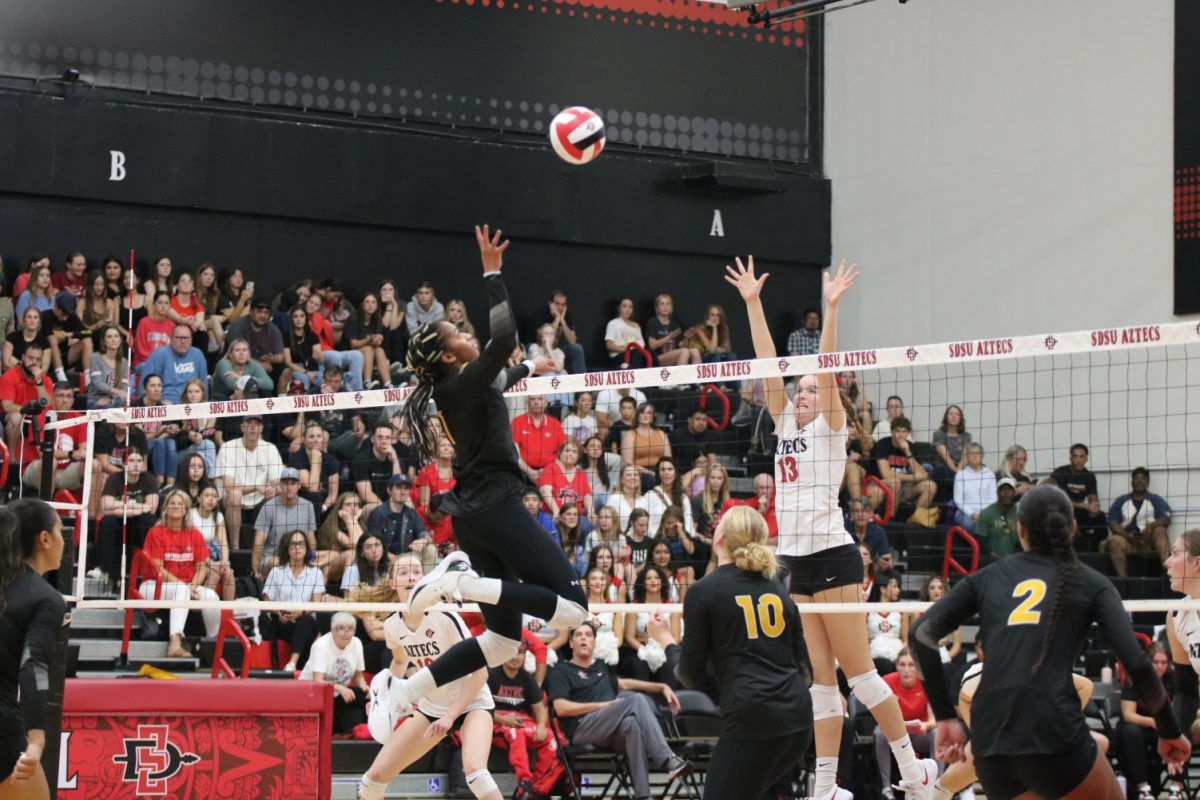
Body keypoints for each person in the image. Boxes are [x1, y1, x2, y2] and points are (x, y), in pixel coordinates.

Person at [725, 255, 936, 800]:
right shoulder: (782, 424)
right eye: (798, 390)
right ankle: (825, 787)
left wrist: (832, 307)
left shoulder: (830, 428)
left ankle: (914, 776)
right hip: (794, 560)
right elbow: (768, 362)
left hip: (835, 556)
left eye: (809, 390)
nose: (801, 393)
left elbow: (826, 364)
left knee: (861, 676)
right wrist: (752, 303)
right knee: (821, 684)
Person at [374, 226, 588, 722]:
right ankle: (460, 585)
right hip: (492, 505)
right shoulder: (459, 385)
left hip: (476, 512)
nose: (466, 335)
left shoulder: (460, 385)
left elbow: (498, 376)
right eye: (458, 336)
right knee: (574, 608)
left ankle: (403, 695)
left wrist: (529, 369)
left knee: (497, 643)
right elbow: (504, 340)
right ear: (450, 357)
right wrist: (492, 272)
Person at [910, 485, 1190, 800]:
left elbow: (921, 634)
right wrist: (1168, 730)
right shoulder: (1092, 582)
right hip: (1051, 731)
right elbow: (1137, 663)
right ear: (1072, 528)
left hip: (990, 741)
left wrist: (945, 716)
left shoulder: (988, 576)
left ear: (1019, 529)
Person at [358, 553, 499, 800]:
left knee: (476, 773)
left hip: (472, 703)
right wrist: (382, 699)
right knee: (372, 780)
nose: (411, 577)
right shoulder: (392, 625)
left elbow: (480, 672)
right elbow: (400, 661)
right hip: (431, 707)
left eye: (416, 572)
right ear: (393, 583)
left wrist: (451, 715)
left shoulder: (445, 616)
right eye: (403, 573)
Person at [546, 622, 690, 800]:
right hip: (582, 728)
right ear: (570, 643)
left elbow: (626, 683)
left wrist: (661, 686)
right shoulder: (562, 670)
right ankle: (667, 760)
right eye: (578, 635)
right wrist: (602, 706)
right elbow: (560, 708)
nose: (583, 638)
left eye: (588, 635)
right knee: (635, 699)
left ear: (594, 643)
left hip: (609, 730)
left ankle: (643, 796)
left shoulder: (600, 668)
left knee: (632, 725)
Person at [0, 500, 66, 799]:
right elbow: (33, 664)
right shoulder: (45, 598)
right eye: (60, 531)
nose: (64, 541)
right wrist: (37, 741)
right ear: (44, 539)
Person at [140, 490, 222, 658]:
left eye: (180, 504)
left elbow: (202, 568)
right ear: (165, 508)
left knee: (211, 596)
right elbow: (158, 568)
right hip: (152, 587)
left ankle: (212, 647)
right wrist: (184, 586)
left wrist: (192, 586)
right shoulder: (156, 532)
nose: (176, 506)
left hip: (184, 587)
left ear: (186, 509)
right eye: (172, 503)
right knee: (181, 590)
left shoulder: (194, 534)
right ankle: (175, 643)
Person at [487, 642, 564, 800]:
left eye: (520, 653)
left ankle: (537, 789)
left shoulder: (527, 678)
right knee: (516, 732)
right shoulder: (491, 674)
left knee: (551, 739)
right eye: (511, 652)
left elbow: (539, 708)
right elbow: (480, 709)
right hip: (495, 722)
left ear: (525, 657)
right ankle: (525, 782)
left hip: (520, 721)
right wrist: (504, 719)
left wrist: (542, 726)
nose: (515, 657)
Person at [92, 447, 160, 589]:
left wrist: (121, 507)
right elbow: (105, 506)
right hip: (118, 525)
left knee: (148, 520)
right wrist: (134, 507)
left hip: (138, 526)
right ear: (124, 464)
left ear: (143, 464)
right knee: (107, 521)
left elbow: (151, 508)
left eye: (139, 461)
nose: (136, 464)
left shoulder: (149, 479)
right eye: (131, 460)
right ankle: (104, 570)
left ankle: (151, 567)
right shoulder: (115, 479)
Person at [215, 414, 285, 548]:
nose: (253, 427)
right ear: (242, 427)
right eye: (249, 423)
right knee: (235, 495)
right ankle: (235, 547)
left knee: (279, 496)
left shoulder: (270, 448)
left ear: (262, 428)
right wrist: (257, 487)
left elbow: (277, 482)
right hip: (232, 500)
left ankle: (271, 547)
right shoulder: (228, 448)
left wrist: (273, 490)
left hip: (260, 499)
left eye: (257, 424)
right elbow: (229, 487)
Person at [262, 530, 326, 671]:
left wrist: (300, 612)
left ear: (307, 548)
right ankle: (301, 669)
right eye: (293, 544)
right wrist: (279, 613)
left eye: (301, 544)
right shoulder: (276, 572)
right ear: (287, 548)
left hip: (306, 617)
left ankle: (292, 663)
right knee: (308, 635)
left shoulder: (316, 573)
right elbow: (267, 600)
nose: (297, 548)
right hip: (283, 620)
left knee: (306, 621)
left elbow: (317, 602)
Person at [301, 611, 370, 734]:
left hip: (337, 693)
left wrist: (365, 687)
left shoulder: (356, 643)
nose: (346, 633)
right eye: (341, 629)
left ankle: (366, 736)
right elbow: (317, 680)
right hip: (311, 692)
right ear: (333, 630)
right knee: (342, 699)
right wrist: (340, 688)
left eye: (350, 629)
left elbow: (358, 676)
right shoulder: (321, 645)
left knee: (366, 698)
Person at [1101, 466, 1171, 577]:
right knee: (1113, 542)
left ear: (1147, 482)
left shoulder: (1155, 499)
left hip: (1148, 542)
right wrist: (1127, 535)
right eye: (1136, 478)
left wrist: (1152, 525)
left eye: (1142, 479)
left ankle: (1167, 574)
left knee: (1160, 530)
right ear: (1131, 481)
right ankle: (1124, 582)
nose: (1139, 481)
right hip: (1127, 540)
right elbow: (1113, 523)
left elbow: (1166, 518)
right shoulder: (1121, 500)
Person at [870, 415, 938, 525]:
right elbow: (886, 474)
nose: (901, 435)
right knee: (895, 482)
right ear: (892, 431)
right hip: (881, 483)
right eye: (897, 431)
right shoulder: (882, 444)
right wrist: (913, 477)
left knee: (931, 486)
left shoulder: (910, 446)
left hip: (904, 487)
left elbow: (922, 473)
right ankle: (891, 522)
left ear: (908, 433)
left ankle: (915, 520)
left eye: (904, 431)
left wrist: (907, 452)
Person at [251, 468, 318, 579]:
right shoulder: (268, 507)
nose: (289, 487)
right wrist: (255, 570)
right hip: (275, 557)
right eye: (286, 483)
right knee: (276, 562)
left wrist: (313, 559)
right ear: (280, 485)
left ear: (299, 486)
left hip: (299, 555)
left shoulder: (308, 506)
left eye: (293, 483)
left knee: (332, 557)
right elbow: (259, 541)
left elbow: (311, 538)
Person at [1049, 443, 1106, 551]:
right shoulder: (1060, 473)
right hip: (1061, 511)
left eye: (1081, 456)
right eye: (1075, 456)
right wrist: (1084, 506)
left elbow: (1093, 497)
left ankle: (1094, 549)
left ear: (1086, 459)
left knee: (1101, 517)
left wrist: (1094, 506)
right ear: (1070, 458)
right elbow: (1059, 501)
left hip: (1079, 511)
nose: (1078, 460)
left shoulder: (1089, 476)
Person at [136, 324, 207, 403]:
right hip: (166, 403)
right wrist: (158, 404)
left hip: (192, 402)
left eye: (186, 338)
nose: (183, 341)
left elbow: (203, 385)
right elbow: (144, 387)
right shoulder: (159, 354)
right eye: (178, 338)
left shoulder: (197, 354)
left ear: (191, 340)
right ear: (171, 339)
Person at [511, 394, 566, 483]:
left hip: (551, 472)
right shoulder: (517, 422)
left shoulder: (555, 424)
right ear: (528, 403)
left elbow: (563, 453)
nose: (536, 402)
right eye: (533, 399)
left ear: (545, 403)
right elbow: (513, 452)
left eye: (540, 399)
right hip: (523, 473)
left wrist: (547, 471)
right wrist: (530, 472)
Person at [622, 403, 671, 491]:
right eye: (642, 412)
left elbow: (668, 459)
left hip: (660, 470)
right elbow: (628, 463)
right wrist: (650, 472)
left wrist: (662, 471)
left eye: (648, 413)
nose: (645, 415)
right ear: (637, 416)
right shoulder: (630, 435)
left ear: (652, 417)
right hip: (639, 472)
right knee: (651, 480)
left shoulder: (661, 434)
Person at [645, 293, 700, 368]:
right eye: (662, 304)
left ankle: (696, 379)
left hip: (674, 355)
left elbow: (683, 346)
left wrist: (687, 338)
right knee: (684, 351)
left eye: (668, 304)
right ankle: (680, 379)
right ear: (657, 308)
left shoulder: (674, 325)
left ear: (671, 308)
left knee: (695, 351)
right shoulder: (653, 322)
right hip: (658, 358)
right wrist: (669, 337)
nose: (665, 307)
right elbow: (652, 346)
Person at [952, 443, 996, 533]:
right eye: (971, 453)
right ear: (966, 456)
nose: (975, 455)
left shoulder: (990, 474)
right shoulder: (960, 475)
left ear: (983, 455)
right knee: (972, 525)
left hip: (986, 512)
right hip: (965, 513)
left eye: (978, 453)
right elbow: (958, 500)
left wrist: (982, 514)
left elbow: (993, 498)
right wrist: (971, 514)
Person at [974, 478, 1021, 558]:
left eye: (1009, 490)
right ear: (997, 493)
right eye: (1002, 490)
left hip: (1015, 560)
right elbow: (980, 542)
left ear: (1014, 492)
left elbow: (1024, 542)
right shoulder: (986, 513)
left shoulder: (1020, 514)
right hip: (991, 560)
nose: (1006, 493)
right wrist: (992, 555)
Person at [603, 297, 646, 366]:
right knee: (635, 353)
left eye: (630, 307)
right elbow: (609, 345)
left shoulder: (636, 325)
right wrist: (628, 350)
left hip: (637, 353)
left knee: (651, 354)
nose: (628, 309)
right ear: (618, 308)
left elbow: (642, 344)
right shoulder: (613, 323)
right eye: (624, 306)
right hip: (619, 355)